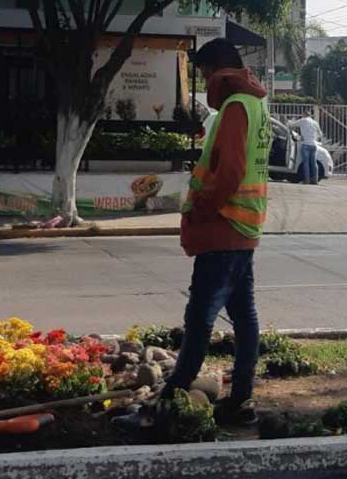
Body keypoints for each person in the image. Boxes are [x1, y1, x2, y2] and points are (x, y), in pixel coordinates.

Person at [116, 38, 271, 430]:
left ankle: (167, 404)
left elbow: (231, 171)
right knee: (243, 316)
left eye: (203, 74)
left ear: (218, 70)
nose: (204, 83)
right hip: (243, 228)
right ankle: (240, 402)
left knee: (200, 316)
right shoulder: (257, 105)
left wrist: (201, 210)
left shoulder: (236, 107)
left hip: (223, 227)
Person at [290, 111, 323, 184]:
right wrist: (314, 138)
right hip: (314, 145)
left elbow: (292, 124)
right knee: (314, 163)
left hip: (306, 144)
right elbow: (320, 134)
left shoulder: (303, 120)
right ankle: (315, 180)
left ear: (304, 115)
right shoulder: (315, 122)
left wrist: (287, 121)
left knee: (306, 163)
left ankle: (307, 180)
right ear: (310, 115)